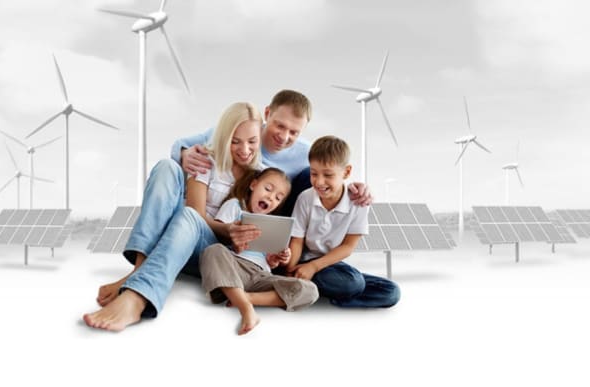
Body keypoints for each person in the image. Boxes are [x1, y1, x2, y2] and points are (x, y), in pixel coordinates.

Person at [83, 101, 264, 331]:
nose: (245, 150)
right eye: (235, 141)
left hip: (211, 254)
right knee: (167, 167)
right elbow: (197, 212)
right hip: (180, 238)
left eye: (252, 142)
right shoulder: (208, 160)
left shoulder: (262, 177)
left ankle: (137, 296)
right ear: (223, 137)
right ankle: (139, 272)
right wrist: (226, 228)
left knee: (189, 217)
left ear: (260, 138)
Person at [172, 89, 373, 217]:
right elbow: (181, 144)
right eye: (280, 126)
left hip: (274, 213)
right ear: (268, 114)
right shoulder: (240, 129)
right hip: (228, 207)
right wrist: (184, 154)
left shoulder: (307, 152)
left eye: (294, 132)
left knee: (306, 175)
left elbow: (331, 175)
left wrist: (354, 189)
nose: (284, 137)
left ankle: (290, 248)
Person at [199, 168, 319, 335]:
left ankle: (245, 297)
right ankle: (245, 307)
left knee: (310, 290)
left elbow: (271, 261)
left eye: (278, 198)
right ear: (254, 185)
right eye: (268, 189)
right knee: (213, 250)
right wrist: (234, 242)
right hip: (235, 267)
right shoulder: (235, 205)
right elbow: (217, 235)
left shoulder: (273, 223)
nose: (271, 197)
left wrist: (279, 258)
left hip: (261, 275)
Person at [286, 135, 400, 308]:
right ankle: (326, 287)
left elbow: (348, 247)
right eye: (314, 173)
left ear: (346, 172)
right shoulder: (305, 198)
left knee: (391, 292)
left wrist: (314, 268)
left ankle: (331, 294)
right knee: (353, 283)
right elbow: (296, 241)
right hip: (305, 261)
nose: (319, 182)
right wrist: (289, 272)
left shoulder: (358, 203)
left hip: (330, 263)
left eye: (328, 175)